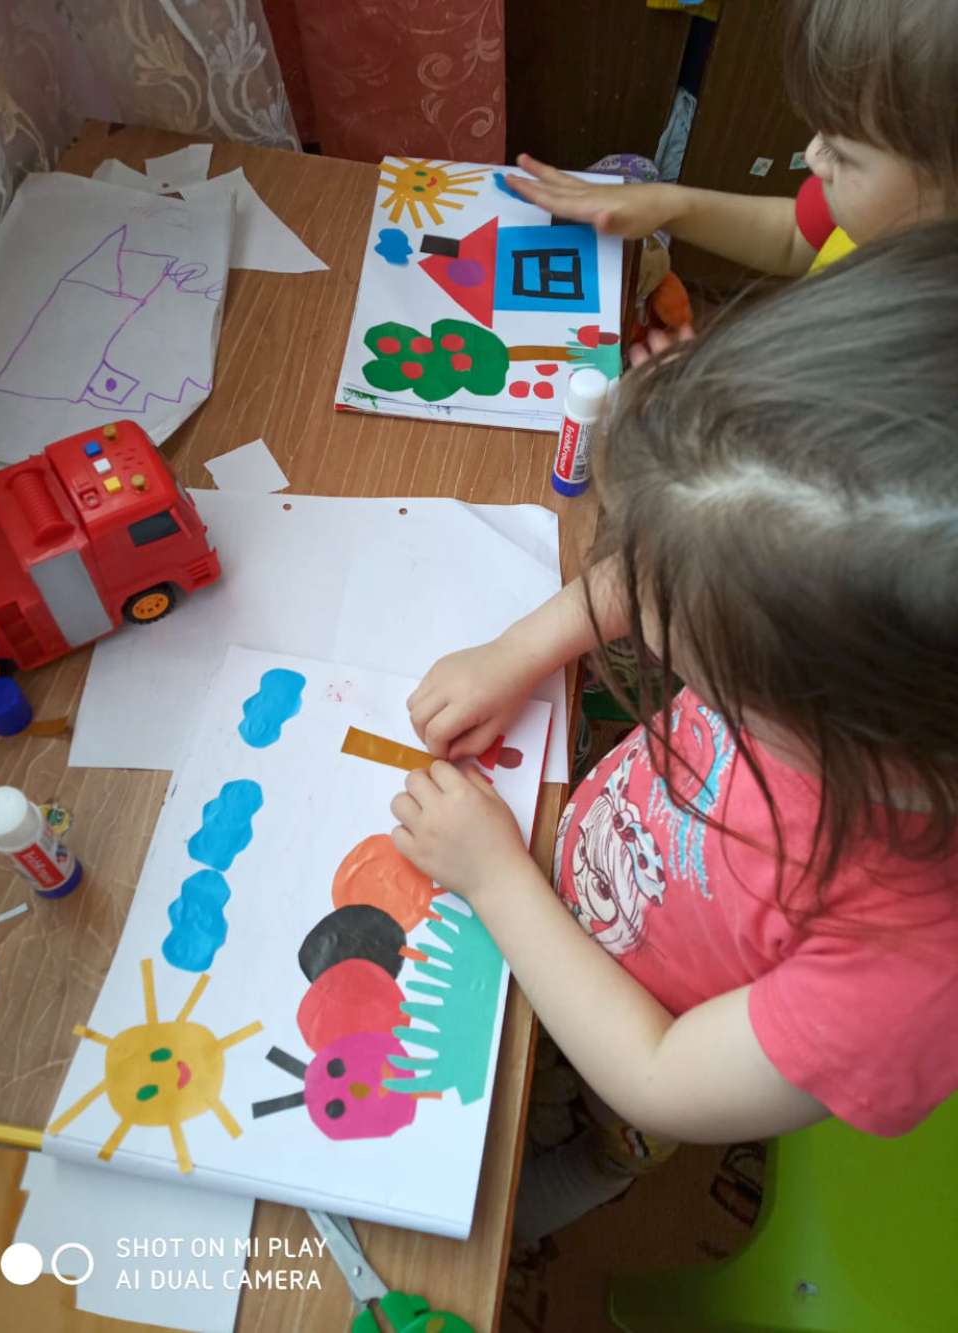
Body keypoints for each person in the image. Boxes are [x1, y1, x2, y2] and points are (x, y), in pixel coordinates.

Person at [388, 224, 958, 1242]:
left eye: (690, 649)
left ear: (848, 718)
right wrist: (518, 649)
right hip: (602, 883)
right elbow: (678, 565)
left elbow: (656, 1073)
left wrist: (498, 879)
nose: (645, 627)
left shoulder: (908, 976)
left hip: (648, 1040)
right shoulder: (833, 632)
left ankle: (593, 1172)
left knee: (604, 1128)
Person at [507, 0, 957, 277]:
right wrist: (671, 205)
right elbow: (795, 237)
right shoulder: (870, 215)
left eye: (843, 154)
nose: (812, 156)